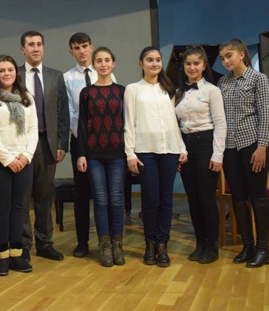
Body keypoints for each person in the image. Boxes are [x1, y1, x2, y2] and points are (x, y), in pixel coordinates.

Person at [124, 46, 187, 268]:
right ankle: (149, 244)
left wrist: (181, 148)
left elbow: (173, 123)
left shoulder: (169, 90)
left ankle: (163, 245)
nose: (155, 63)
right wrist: (130, 153)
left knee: (166, 200)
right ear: (141, 64)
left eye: (158, 60)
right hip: (145, 152)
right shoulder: (133, 89)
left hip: (169, 150)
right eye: (149, 60)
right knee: (150, 200)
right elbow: (129, 123)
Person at [0, 55, 38, 275]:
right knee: (0, 210)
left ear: (16, 73)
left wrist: (26, 156)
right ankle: (1, 255)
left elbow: (33, 130)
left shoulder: (26, 98)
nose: (6, 74)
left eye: (10, 69)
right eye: (1, 70)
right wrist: (8, 159)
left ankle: (16, 254)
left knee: (18, 209)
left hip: (23, 160)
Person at [218, 38, 269, 268]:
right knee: (238, 198)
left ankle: (263, 249)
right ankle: (247, 245)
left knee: (258, 197)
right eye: (222, 58)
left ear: (241, 54)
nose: (226, 61)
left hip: (252, 145)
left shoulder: (258, 79)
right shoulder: (223, 82)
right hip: (230, 147)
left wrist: (262, 146)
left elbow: (265, 114)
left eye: (229, 55)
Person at [63, 32, 117, 258]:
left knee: (108, 194)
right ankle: (82, 242)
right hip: (82, 142)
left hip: (107, 142)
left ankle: (111, 240)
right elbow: (69, 113)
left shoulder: (104, 72)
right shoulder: (67, 78)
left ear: (91, 47)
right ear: (71, 52)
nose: (82, 51)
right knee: (83, 193)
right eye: (77, 48)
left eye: (85, 46)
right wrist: (86, 138)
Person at [19, 30, 69, 262]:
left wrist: (61, 143)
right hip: (21, 145)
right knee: (22, 198)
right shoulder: (14, 74)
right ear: (23, 49)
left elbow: (62, 111)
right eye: (31, 44)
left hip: (47, 144)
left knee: (44, 196)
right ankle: (23, 245)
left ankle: (45, 243)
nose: (36, 48)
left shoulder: (55, 76)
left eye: (39, 44)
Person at [174, 47, 226, 264]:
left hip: (206, 144)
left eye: (196, 63)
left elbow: (220, 123)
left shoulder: (212, 91)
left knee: (206, 198)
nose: (192, 67)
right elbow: (174, 125)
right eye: (188, 64)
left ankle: (212, 245)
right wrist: (179, 151)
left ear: (204, 65)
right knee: (193, 199)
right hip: (186, 146)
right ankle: (200, 243)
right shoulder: (178, 92)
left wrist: (218, 155)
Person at [76, 47, 126, 267]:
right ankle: (104, 245)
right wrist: (81, 154)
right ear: (93, 65)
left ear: (113, 63)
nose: (103, 64)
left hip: (118, 153)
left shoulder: (122, 91)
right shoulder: (86, 92)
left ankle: (117, 245)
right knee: (100, 199)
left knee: (116, 198)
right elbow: (82, 125)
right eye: (99, 61)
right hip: (94, 154)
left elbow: (128, 123)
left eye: (107, 60)